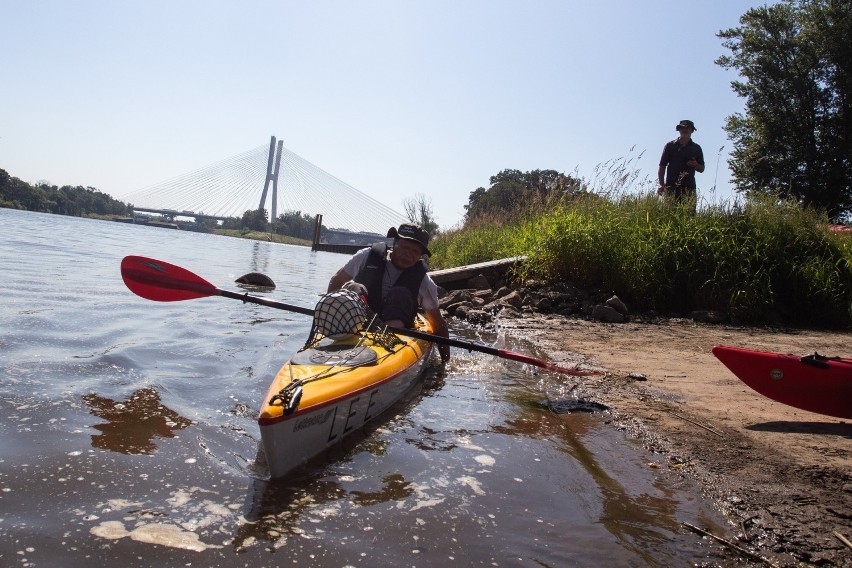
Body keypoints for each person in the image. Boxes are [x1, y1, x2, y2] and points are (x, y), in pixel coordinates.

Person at [327, 222, 451, 363]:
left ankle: (385, 341)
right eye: (405, 248)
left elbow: (438, 324)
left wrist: (444, 364)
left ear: (420, 255)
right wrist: (329, 313)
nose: (408, 255)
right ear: (394, 243)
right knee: (354, 287)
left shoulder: (425, 282)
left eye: (415, 252)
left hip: (394, 331)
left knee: (400, 294)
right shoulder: (365, 257)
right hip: (358, 323)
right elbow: (337, 280)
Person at [658, 119, 705, 204]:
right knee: (669, 214)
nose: (685, 130)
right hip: (671, 187)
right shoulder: (670, 146)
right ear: (679, 130)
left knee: (689, 215)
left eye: (688, 128)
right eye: (682, 128)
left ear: (692, 130)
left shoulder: (696, 148)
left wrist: (695, 165)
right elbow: (662, 165)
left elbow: (702, 169)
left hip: (689, 188)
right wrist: (662, 184)